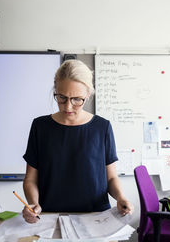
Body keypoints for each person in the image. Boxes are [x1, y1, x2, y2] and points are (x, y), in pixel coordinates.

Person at [22, 59, 134, 223]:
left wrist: (121, 197)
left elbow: (110, 178)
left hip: (96, 218)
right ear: (56, 90)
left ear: (87, 95)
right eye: (62, 97)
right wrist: (33, 203)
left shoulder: (102, 127)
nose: (67, 107)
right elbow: (31, 179)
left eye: (76, 99)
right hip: (51, 218)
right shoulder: (40, 126)